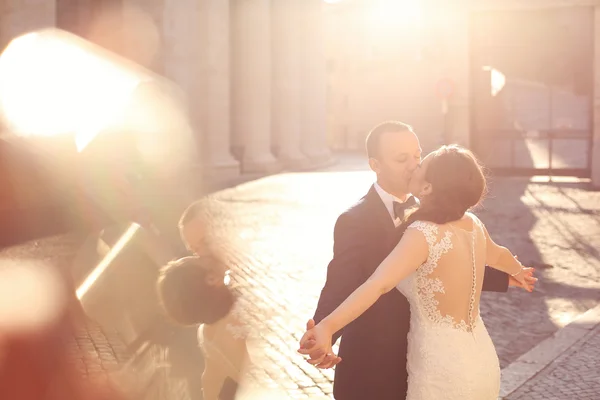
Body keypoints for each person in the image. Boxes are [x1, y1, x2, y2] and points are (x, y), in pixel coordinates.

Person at [301, 122, 536, 400]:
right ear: (375, 164)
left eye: (417, 156)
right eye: (402, 159)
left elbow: (445, 267)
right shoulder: (354, 220)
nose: (413, 165)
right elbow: (342, 283)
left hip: (429, 358)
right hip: (375, 359)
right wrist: (323, 332)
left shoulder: (434, 214)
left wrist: (502, 277)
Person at [157, 256, 251, 400]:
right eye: (200, 259)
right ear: (212, 279)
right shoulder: (240, 316)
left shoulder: (205, 334)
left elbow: (210, 377)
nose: (203, 256)